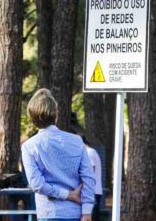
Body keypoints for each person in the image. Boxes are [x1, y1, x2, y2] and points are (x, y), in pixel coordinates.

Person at [21, 89, 95, 221]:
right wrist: (87, 212)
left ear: (32, 117)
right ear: (56, 114)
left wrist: (67, 195)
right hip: (76, 212)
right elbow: (89, 177)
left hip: (49, 213)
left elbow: (36, 184)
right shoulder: (77, 141)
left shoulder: (29, 146)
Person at [81, 135, 103, 221]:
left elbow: (90, 173)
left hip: (92, 191)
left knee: (92, 217)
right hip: (94, 191)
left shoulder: (89, 153)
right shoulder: (92, 152)